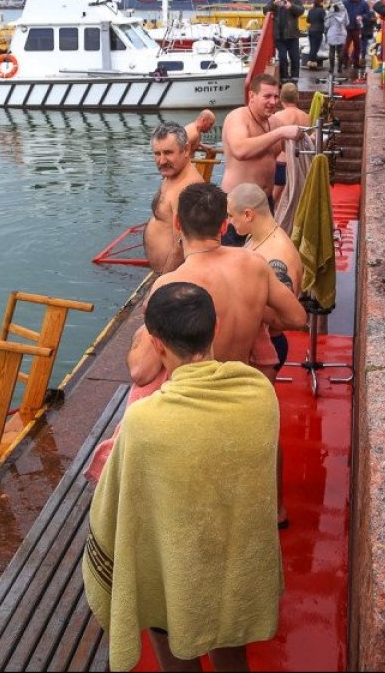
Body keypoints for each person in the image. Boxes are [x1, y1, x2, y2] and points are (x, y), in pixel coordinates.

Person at [84, 281, 283, 672]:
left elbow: (119, 508)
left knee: (167, 626)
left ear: (157, 344)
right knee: (229, 638)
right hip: (233, 558)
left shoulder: (144, 420)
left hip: (175, 565)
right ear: (216, 327)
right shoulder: (259, 394)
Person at [127, 183, 306, 531]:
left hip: (203, 392)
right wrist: (256, 315)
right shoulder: (253, 264)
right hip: (245, 380)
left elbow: (141, 371)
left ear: (177, 224)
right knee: (267, 436)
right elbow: (296, 318)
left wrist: (141, 329)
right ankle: (277, 510)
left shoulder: (174, 285)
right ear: (224, 225)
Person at [228, 182, 303, 374]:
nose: (229, 222)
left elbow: (285, 318)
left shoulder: (277, 256)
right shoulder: (256, 237)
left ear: (248, 214)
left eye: (231, 216)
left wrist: (238, 297)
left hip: (267, 348)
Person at [219, 73, 302, 245]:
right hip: (237, 206)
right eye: (267, 96)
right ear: (252, 96)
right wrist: (280, 133)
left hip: (265, 204)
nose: (273, 102)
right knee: (236, 262)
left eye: (276, 97)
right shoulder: (238, 117)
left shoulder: (274, 123)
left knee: (265, 256)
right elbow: (240, 150)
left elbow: (297, 150)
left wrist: (314, 141)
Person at [143, 122, 204, 273]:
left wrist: (163, 282)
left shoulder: (188, 190)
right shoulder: (171, 174)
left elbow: (181, 247)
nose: (162, 161)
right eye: (157, 154)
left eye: (168, 152)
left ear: (186, 150)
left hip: (174, 277)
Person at [269, 82, 310, 205]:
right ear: (297, 97)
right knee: (296, 203)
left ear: (281, 98)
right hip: (299, 162)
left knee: (274, 202)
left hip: (282, 162)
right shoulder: (306, 117)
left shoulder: (277, 116)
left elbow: (274, 142)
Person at [262, 0, 305, 83]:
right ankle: (284, 77)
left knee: (295, 57)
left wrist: (290, 6)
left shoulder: (295, 0)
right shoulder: (274, 0)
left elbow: (301, 11)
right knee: (282, 57)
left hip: (292, 35)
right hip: (279, 36)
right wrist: (274, 3)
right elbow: (265, 10)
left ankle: (295, 77)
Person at [342, 0, 372, 79]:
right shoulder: (346, 3)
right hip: (347, 28)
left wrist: (362, 16)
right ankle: (345, 62)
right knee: (345, 47)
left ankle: (356, 62)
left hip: (357, 28)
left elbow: (368, 14)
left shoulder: (363, 4)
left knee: (357, 46)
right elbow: (340, 11)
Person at [324, 0, 349, 76]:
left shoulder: (331, 11)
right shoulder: (344, 10)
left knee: (332, 50)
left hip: (332, 32)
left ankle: (331, 68)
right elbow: (347, 22)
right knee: (340, 50)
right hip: (342, 32)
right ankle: (339, 68)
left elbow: (326, 24)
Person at [306, 0, 327, 70]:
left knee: (312, 47)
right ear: (320, 3)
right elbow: (325, 19)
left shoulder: (311, 10)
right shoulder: (322, 11)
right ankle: (313, 64)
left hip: (311, 30)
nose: (323, 3)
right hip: (318, 31)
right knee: (315, 48)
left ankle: (311, 63)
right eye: (322, 2)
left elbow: (308, 20)